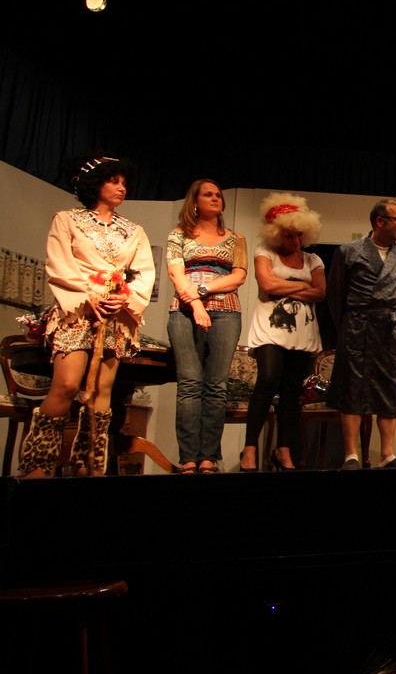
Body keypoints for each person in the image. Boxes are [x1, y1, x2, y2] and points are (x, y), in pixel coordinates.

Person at [19, 152, 155, 478]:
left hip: (115, 317)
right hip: (77, 312)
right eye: (114, 181)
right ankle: (37, 465)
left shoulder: (134, 230)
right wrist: (87, 296)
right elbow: (59, 262)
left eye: (124, 183)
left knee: (101, 393)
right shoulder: (66, 220)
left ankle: (89, 466)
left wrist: (123, 300)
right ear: (95, 184)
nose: (122, 188)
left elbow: (142, 272)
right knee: (66, 385)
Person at [166, 179, 248, 474]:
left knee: (216, 386)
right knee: (189, 384)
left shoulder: (236, 239)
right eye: (208, 194)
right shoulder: (178, 234)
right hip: (184, 312)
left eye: (218, 195)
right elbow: (176, 273)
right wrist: (197, 305)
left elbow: (238, 277)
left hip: (226, 312)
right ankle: (188, 457)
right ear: (195, 201)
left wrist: (202, 291)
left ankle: (208, 457)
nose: (215, 198)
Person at [240, 192, 326, 471]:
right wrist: (303, 286)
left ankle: (284, 449)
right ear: (277, 234)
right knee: (267, 381)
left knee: (292, 390)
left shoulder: (313, 260)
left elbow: (320, 292)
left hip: (302, 332)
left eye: (300, 235)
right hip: (270, 329)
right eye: (290, 235)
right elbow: (267, 285)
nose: (296, 241)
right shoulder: (265, 253)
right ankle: (250, 448)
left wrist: (284, 286)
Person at [327, 199, 396, 469]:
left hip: (389, 330)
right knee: (352, 387)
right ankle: (350, 454)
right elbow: (335, 296)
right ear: (380, 221)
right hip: (357, 326)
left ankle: (387, 454)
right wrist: (348, 327)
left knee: (387, 387)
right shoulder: (349, 251)